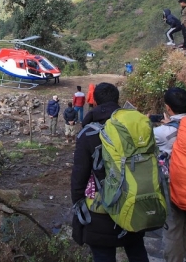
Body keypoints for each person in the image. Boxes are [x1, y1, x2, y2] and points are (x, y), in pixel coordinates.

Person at [71, 83, 149, 262]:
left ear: (95, 102)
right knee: (137, 252)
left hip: (101, 210)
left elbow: (79, 177)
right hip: (135, 202)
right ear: (117, 100)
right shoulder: (137, 128)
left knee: (103, 255)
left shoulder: (87, 134)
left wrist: (78, 205)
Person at [153, 88, 186, 262]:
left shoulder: (161, 133)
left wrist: (166, 126)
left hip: (175, 187)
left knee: (173, 227)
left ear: (168, 107)